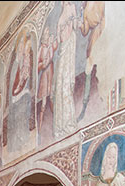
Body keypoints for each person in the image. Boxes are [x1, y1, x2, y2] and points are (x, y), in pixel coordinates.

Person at [53, 0, 79, 138]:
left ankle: (68, 122)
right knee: (60, 86)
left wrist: (71, 20)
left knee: (67, 84)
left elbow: (75, 25)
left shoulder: (73, 8)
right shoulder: (60, 15)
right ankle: (60, 125)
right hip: (63, 50)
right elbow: (57, 39)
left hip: (69, 49)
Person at [36, 27, 58, 133]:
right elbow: (38, 64)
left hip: (51, 71)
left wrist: (52, 44)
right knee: (44, 100)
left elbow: (54, 48)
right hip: (45, 74)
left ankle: (55, 122)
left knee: (52, 95)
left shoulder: (50, 45)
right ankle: (39, 127)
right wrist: (43, 64)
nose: (47, 36)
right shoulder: (41, 48)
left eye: (48, 34)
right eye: (46, 34)